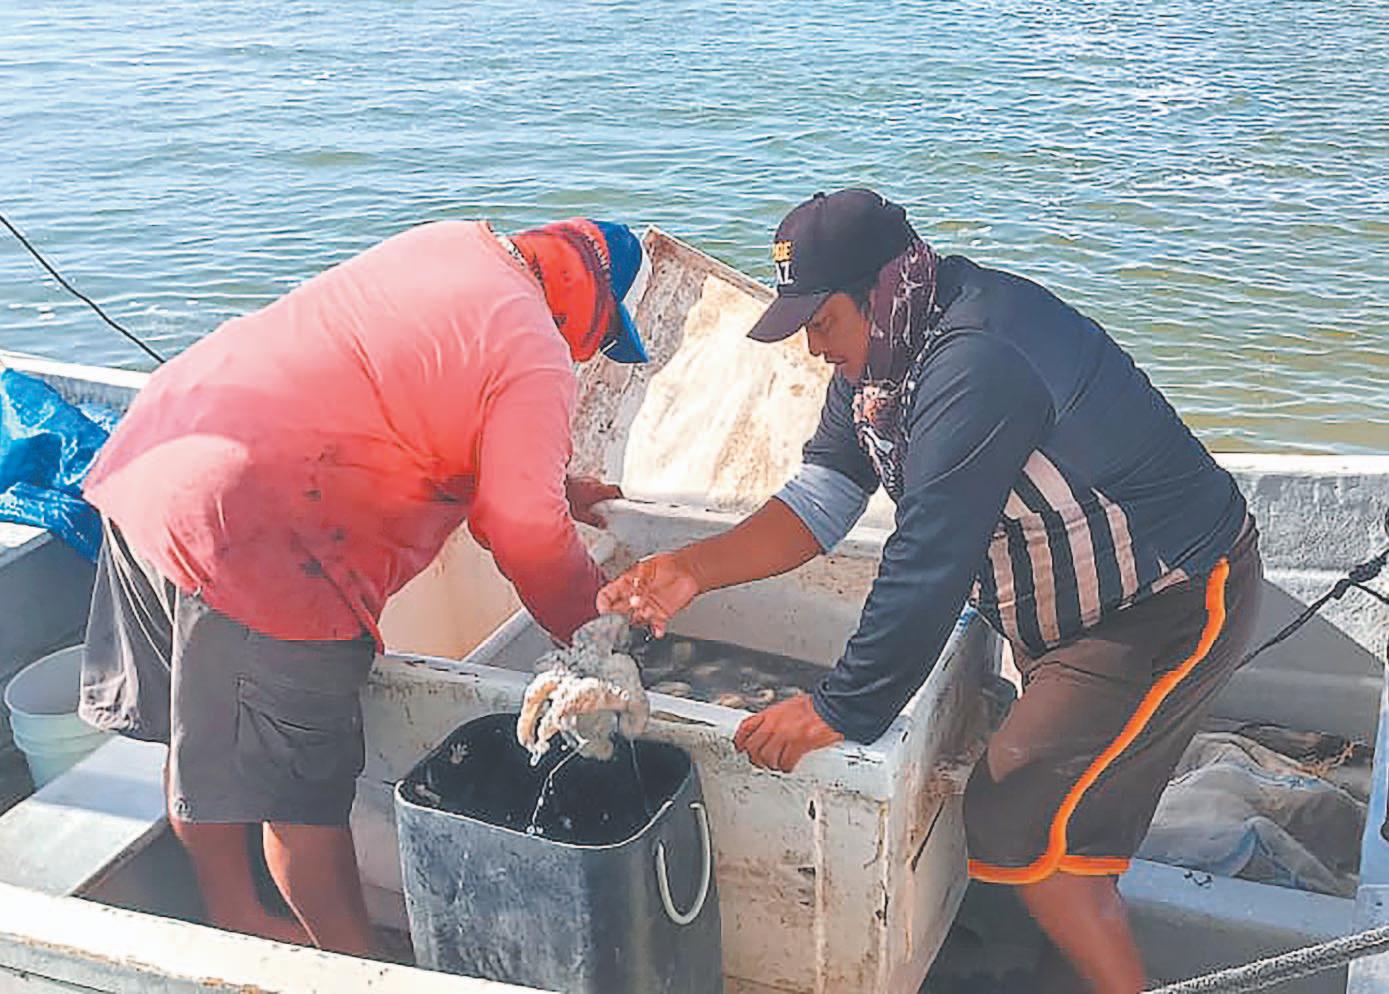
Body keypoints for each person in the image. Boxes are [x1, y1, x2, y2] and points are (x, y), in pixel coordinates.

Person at [598, 189, 1261, 994]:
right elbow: (821, 497)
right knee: (1060, 815)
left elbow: (929, 561)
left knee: (1011, 812)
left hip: (1165, 600)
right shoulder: (883, 359)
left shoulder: (977, 361)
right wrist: (691, 569)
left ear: (878, 290)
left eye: (822, 321)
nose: (813, 348)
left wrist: (839, 708)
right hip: (1064, 615)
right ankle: (1073, 946)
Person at [77, 216, 648, 955]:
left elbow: (406, 392)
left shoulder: (451, 245)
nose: (585, 353)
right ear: (591, 304)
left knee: (196, 743)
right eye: (599, 339)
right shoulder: (538, 349)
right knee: (300, 800)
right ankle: (358, 965)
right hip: (260, 535)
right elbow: (523, 532)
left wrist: (554, 485)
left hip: (156, 460)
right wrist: (595, 639)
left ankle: (235, 914)